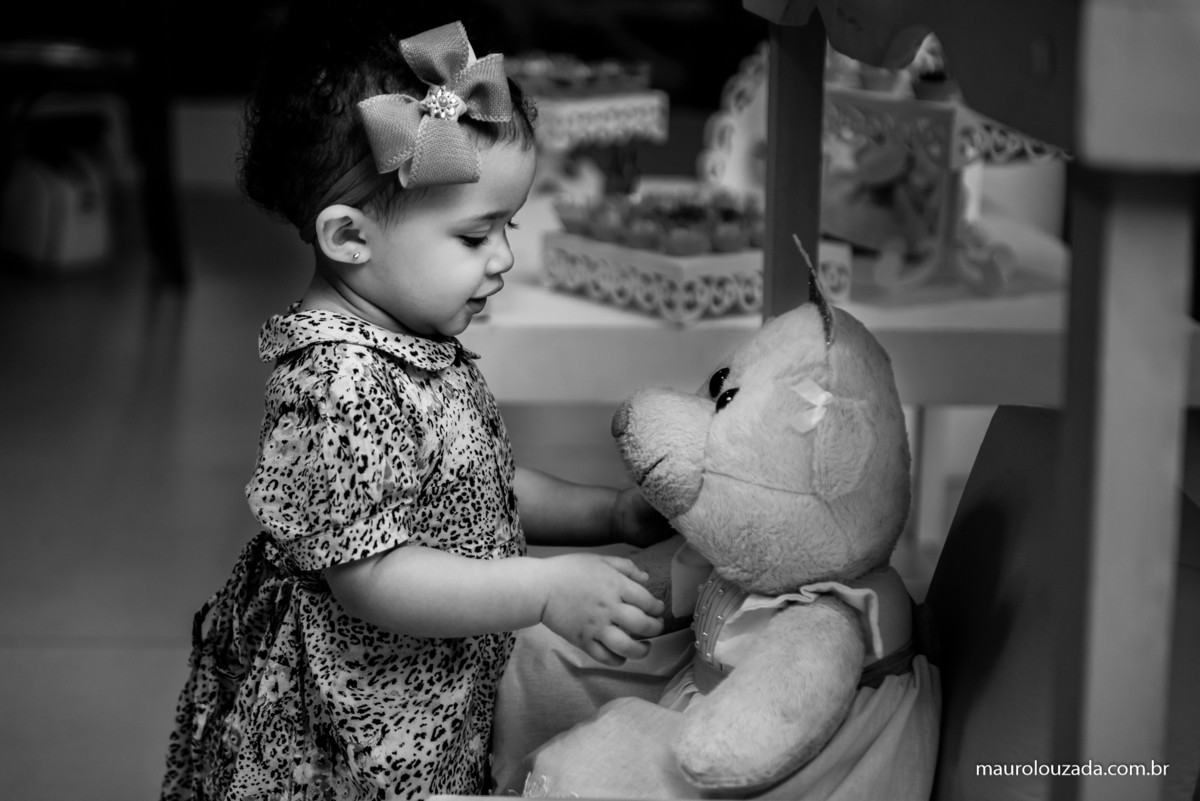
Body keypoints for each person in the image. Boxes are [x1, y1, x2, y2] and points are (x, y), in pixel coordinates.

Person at [160, 6, 671, 800]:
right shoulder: (341, 383)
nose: (503, 257)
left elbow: (471, 492)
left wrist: (609, 513)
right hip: (355, 734)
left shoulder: (409, 337)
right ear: (350, 237)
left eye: (512, 224)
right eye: (475, 236)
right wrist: (542, 589)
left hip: (427, 702)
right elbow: (375, 575)